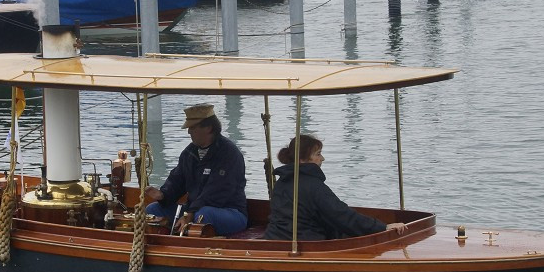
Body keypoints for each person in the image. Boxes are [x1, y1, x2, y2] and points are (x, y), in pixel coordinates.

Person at [264, 134, 406, 241]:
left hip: (274, 239)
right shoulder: (314, 186)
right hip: (305, 242)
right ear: (302, 160)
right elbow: (341, 214)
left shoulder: (281, 182)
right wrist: (383, 228)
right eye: (318, 154)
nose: (323, 158)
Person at [145, 103, 247, 236]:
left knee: (203, 215)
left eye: (192, 128)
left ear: (209, 128)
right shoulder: (189, 153)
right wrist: (163, 195)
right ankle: (165, 243)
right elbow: (177, 180)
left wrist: (190, 214)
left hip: (230, 212)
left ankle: (190, 242)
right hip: (194, 209)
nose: (188, 132)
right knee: (153, 210)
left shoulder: (228, 154)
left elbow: (216, 191)